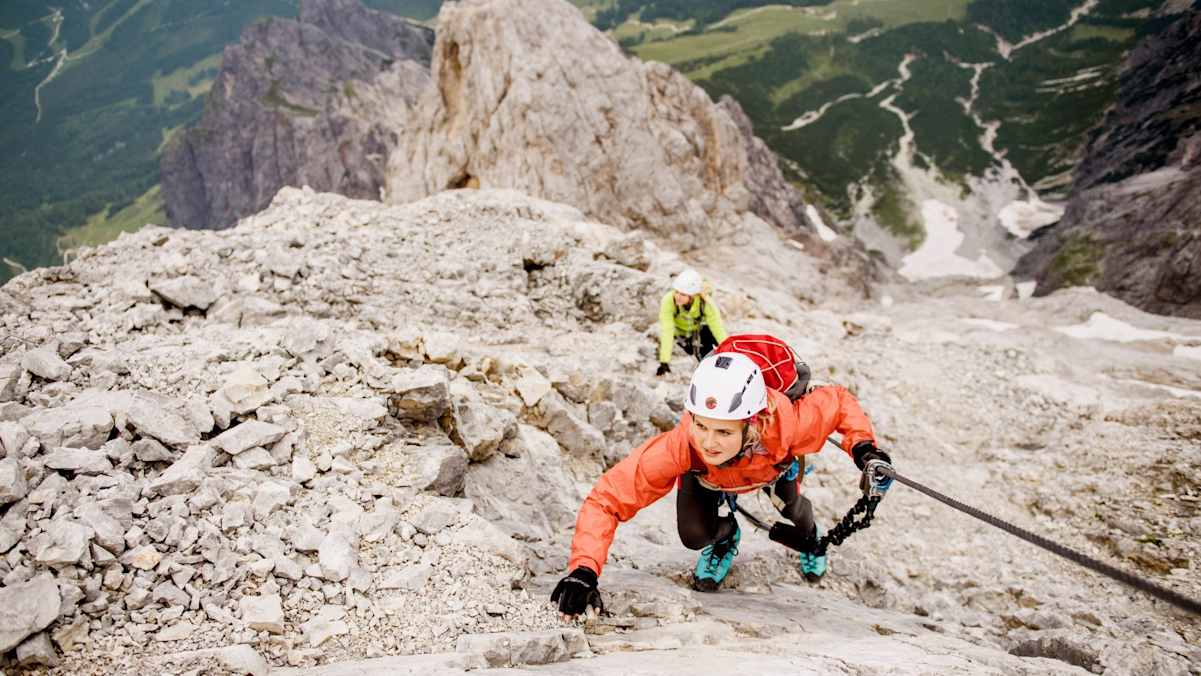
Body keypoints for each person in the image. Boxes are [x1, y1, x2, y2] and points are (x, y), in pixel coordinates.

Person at [551, 352, 893, 618]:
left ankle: (812, 537)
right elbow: (608, 499)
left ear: (752, 424)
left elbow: (839, 402)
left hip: (772, 469)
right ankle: (726, 536)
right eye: (701, 425)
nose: (709, 442)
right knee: (694, 536)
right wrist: (584, 570)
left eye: (724, 431)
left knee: (798, 519)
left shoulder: (790, 426)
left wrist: (864, 448)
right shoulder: (684, 446)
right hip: (708, 478)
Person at [656, 269, 727, 376]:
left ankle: (717, 368)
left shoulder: (705, 303)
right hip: (679, 335)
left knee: (708, 337)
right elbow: (667, 330)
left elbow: (718, 329)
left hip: (696, 331)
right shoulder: (668, 300)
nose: (678, 296)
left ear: (693, 295)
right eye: (676, 292)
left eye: (683, 294)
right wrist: (664, 361)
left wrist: (728, 349)